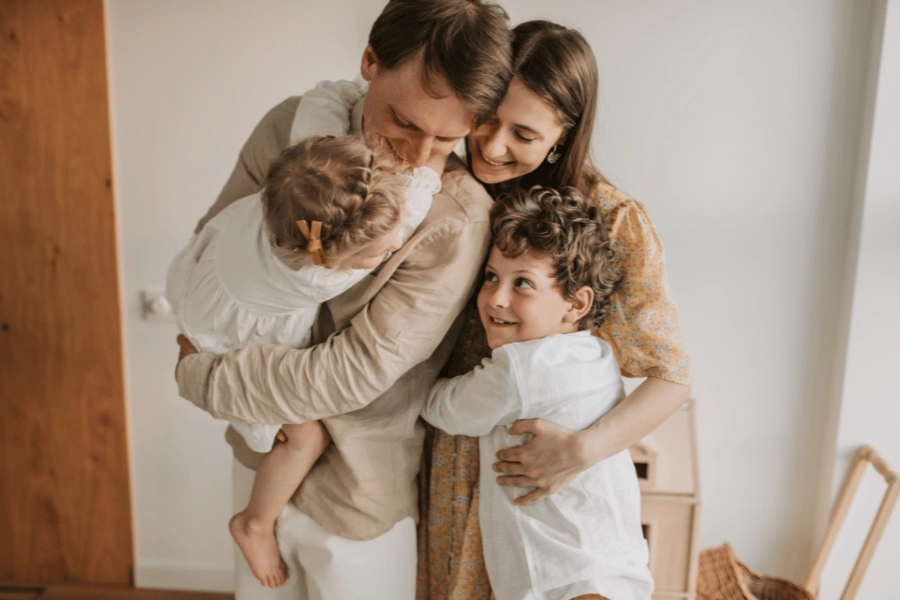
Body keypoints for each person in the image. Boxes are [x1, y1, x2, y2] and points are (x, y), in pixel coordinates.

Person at [173, 1, 513, 599]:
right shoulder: (287, 128)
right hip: (259, 465)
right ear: (369, 62)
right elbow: (215, 243)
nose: (417, 155)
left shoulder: (456, 218)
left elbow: (354, 372)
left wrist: (205, 377)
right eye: (403, 124)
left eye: (447, 139)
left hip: (359, 496)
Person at [417, 20, 692, 600]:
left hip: (545, 483)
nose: (492, 146)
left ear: (563, 137)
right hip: (448, 466)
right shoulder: (440, 188)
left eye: (522, 132)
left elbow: (672, 378)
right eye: (486, 119)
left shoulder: (613, 223)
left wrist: (580, 452)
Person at [166, 132, 441, 588]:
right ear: (330, 256)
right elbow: (409, 214)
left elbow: (321, 118)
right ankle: (254, 523)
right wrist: (427, 172)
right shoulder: (315, 275)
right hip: (226, 335)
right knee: (305, 437)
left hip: (202, 292)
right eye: (379, 253)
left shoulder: (274, 203)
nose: (392, 249)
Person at [423, 186, 654, 600]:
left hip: (558, 578)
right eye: (491, 276)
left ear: (575, 304)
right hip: (614, 566)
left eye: (523, 283)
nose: (496, 298)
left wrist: (424, 373)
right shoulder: (599, 355)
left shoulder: (520, 369)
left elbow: (444, 409)